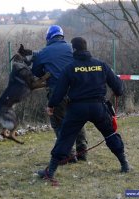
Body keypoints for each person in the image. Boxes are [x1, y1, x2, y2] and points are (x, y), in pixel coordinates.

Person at [37, 37, 130, 180]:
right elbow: (118, 87)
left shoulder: (69, 68)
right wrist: (118, 92)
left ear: (73, 49)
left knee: (65, 138)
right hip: (98, 108)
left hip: (77, 109)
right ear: (86, 48)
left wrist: (51, 105)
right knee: (110, 134)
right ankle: (124, 164)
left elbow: (59, 91)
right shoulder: (101, 65)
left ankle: (50, 171)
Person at [19, 25, 88, 162]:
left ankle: (68, 154)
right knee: (78, 120)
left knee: (59, 123)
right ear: (61, 36)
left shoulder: (44, 52)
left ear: (48, 37)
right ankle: (82, 151)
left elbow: (37, 72)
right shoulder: (72, 48)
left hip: (57, 93)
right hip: (78, 91)